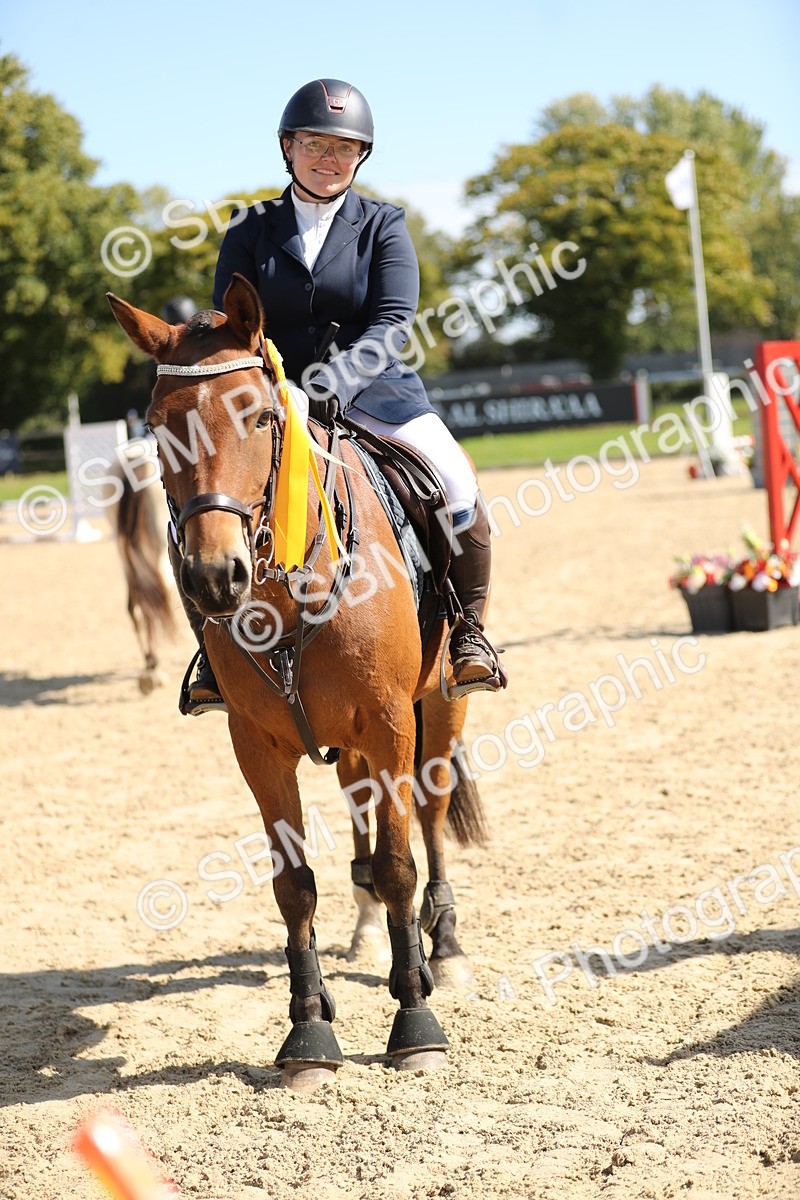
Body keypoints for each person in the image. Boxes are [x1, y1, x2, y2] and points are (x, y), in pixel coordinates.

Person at [180, 78, 503, 714]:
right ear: (287, 148)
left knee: (456, 483)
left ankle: (468, 632)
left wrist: (336, 381)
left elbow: (393, 322)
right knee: (195, 499)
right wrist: (278, 387)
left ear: (360, 156)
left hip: (376, 392)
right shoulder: (249, 229)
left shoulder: (384, 224)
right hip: (270, 397)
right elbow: (232, 324)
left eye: (344, 148)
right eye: (314, 144)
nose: (328, 159)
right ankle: (212, 653)